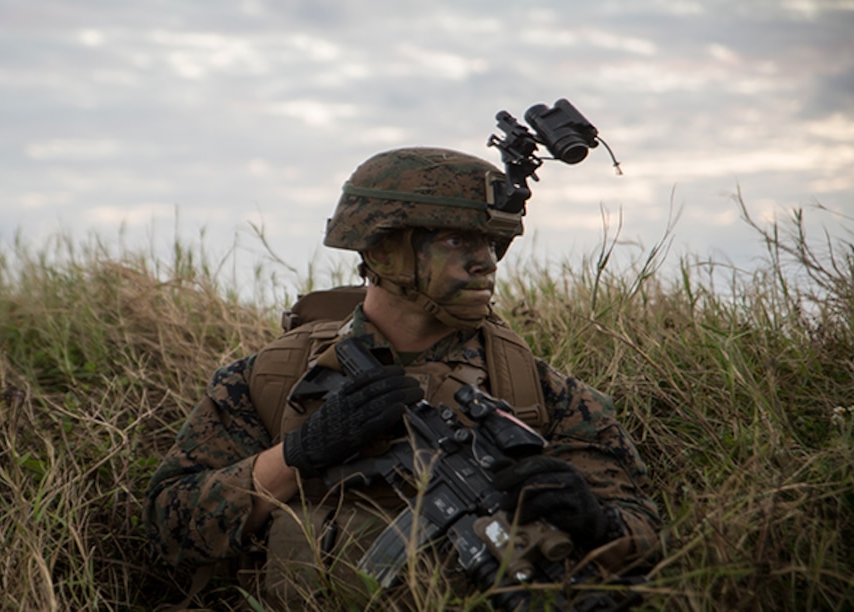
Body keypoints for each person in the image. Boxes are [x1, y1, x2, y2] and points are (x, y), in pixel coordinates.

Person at [144, 147, 662, 607]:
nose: (486, 262)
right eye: (459, 240)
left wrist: (595, 520)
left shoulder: (539, 394)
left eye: (493, 244)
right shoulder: (269, 380)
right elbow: (170, 527)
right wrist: (295, 456)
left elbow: (644, 535)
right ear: (382, 250)